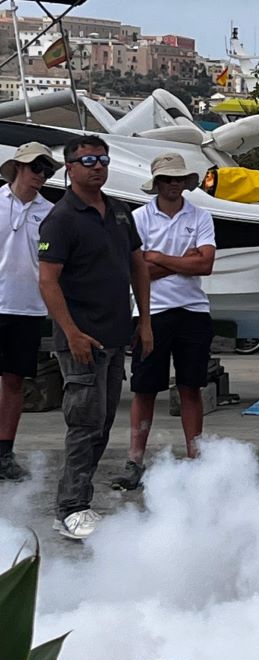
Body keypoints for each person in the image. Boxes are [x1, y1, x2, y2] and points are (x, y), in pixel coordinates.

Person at [38, 135, 152, 540]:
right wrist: (71, 333)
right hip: (81, 340)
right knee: (83, 425)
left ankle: (78, 501)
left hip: (115, 336)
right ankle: (70, 508)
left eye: (102, 159)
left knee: (102, 425)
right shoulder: (61, 218)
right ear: (69, 168)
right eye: (87, 160)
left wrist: (145, 322)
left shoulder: (120, 213)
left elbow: (138, 266)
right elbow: (48, 282)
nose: (96, 166)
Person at [110, 153, 216, 491]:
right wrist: (180, 261)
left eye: (178, 178)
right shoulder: (138, 218)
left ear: (186, 182)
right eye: (167, 179)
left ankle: (195, 457)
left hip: (193, 310)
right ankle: (135, 459)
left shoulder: (201, 215)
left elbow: (205, 265)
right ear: (156, 183)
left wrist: (156, 259)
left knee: (191, 386)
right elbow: (134, 270)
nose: (173, 184)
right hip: (149, 312)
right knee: (144, 388)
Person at [0, 142, 59, 481]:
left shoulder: (49, 212)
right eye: (36, 168)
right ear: (19, 167)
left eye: (46, 170)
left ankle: (4, 453)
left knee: (14, 381)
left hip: (28, 307)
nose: (41, 175)